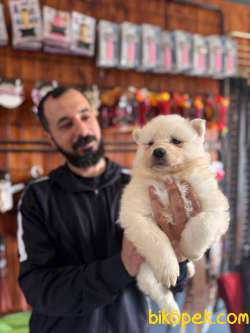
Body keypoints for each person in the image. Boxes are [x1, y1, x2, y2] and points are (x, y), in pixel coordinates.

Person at [17, 86, 200, 333]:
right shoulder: (37, 198)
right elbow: (39, 290)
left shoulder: (141, 186)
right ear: (51, 138)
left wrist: (179, 256)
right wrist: (121, 267)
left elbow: (175, 282)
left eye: (85, 116)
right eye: (65, 124)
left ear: (96, 116)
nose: (82, 130)